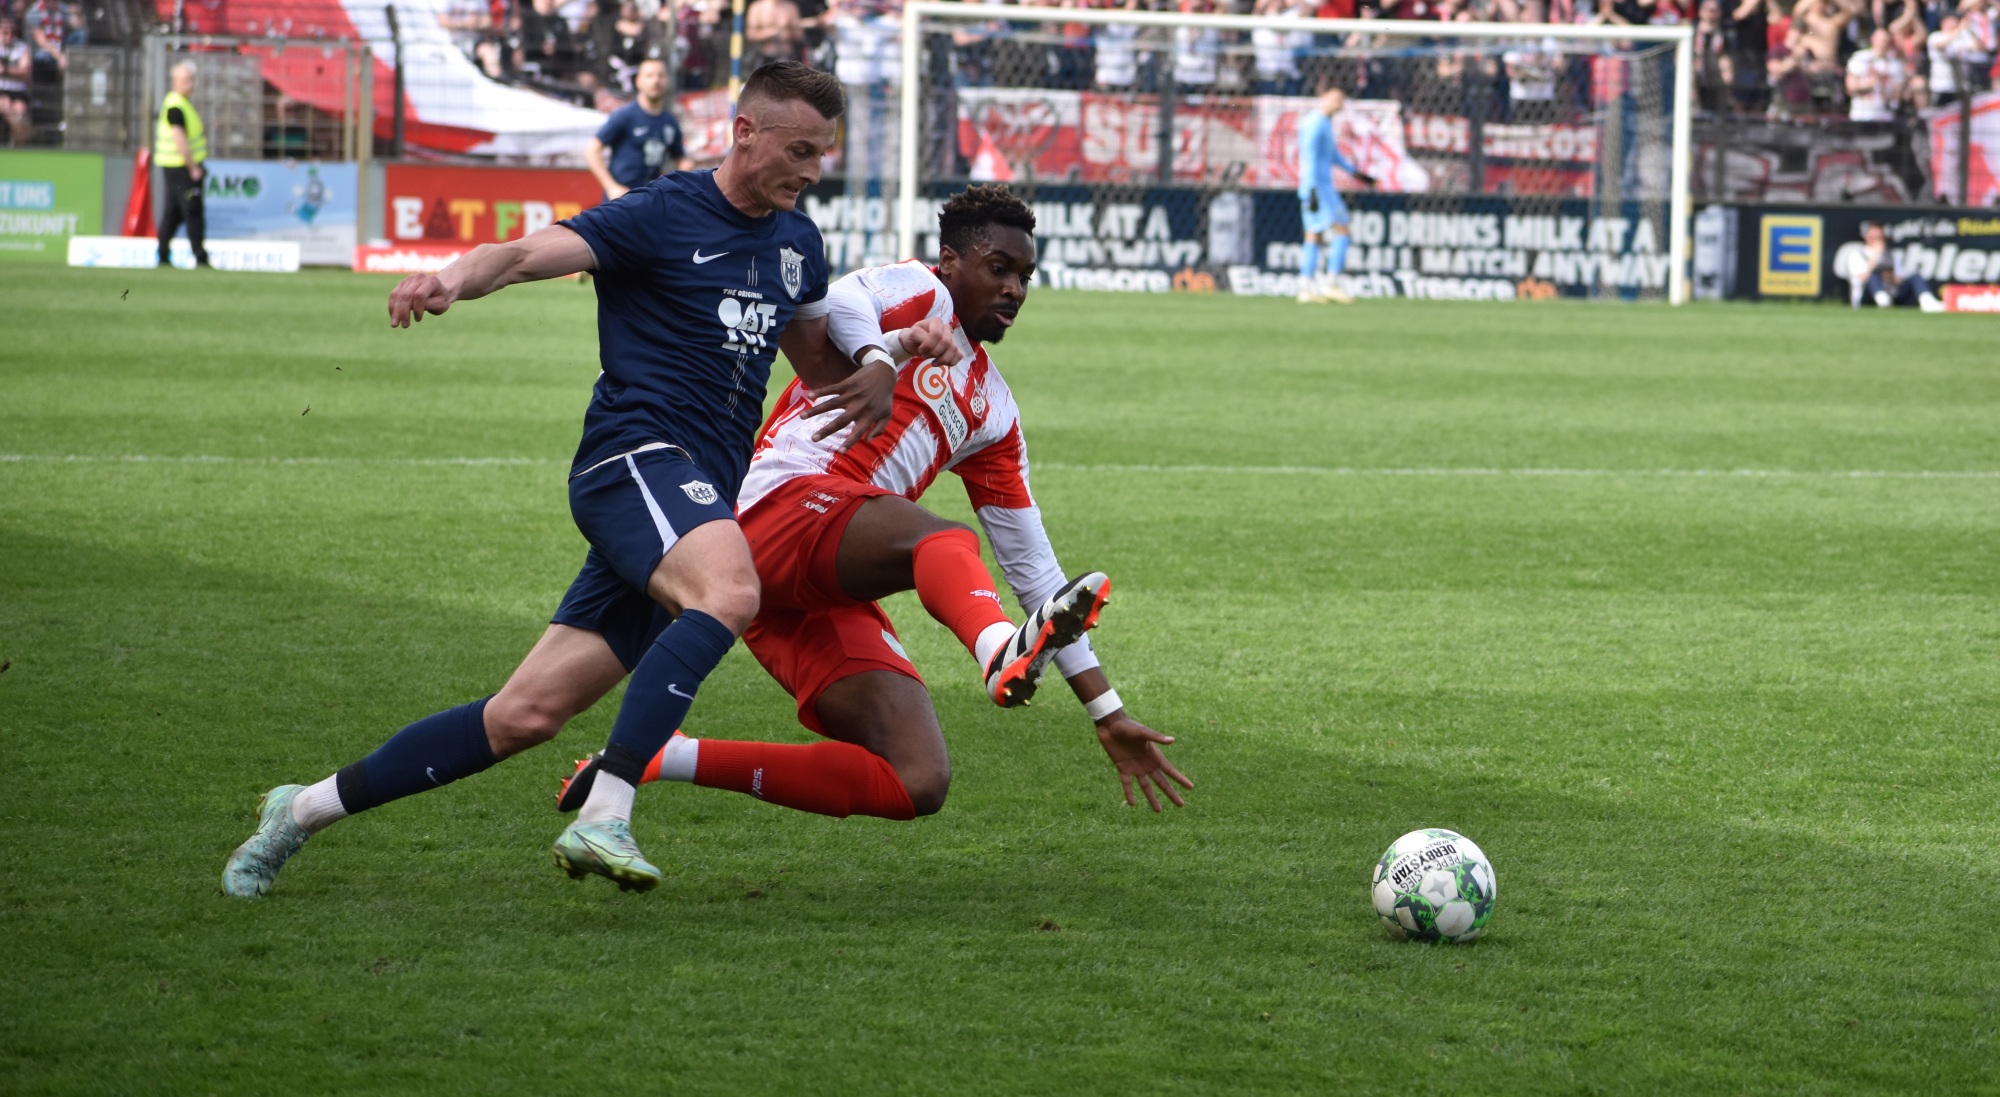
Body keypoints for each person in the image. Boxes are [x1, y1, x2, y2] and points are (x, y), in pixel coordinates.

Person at [219, 61, 900, 899]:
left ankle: (299, 811)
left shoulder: (798, 244)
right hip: (633, 461)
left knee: (523, 716)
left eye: (823, 153)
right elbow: (521, 254)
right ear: (744, 132)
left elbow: (819, 366)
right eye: (800, 148)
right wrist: (448, 280)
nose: (812, 169)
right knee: (729, 592)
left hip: (692, 501)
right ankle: (607, 809)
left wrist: (880, 362)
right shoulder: (662, 211)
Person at [553, 184, 1191, 824]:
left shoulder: (995, 414)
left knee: (917, 779)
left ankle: (663, 756)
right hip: (774, 506)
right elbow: (841, 300)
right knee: (941, 541)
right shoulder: (918, 292)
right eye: (998, 269)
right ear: (949, 262)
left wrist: (1108, 714)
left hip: (813, 581)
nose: (1014, 290)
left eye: (1025, 277)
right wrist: (886, 352)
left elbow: (1040, 577)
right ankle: (997, 650)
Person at [1296, 85, 1375, 306]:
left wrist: (1359, 175)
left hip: (1320, 188)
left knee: (1315, 234)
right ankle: (1330, 283)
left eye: (1341, 100)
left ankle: (1306, 286)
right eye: (1335, 99)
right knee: (1340, 229)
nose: (1338, 104)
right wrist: (1311, 189)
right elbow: (1309, 156)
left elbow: (1333, 156)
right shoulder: (1315, 122)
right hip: (1315, 189)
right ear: (1322, 97)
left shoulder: (1324, 123)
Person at [585, 56, 692, 199]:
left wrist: (687, 169)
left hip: (649, 202)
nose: (655, 81)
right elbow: (591, 151)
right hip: (620, 203)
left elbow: (680, 158)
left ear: (668, 81)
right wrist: (611, 187)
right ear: (638, 81)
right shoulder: (625, 115)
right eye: (649, 76)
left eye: (660, 76)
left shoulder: (669, 122)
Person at [155, 60, 209, 269]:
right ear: (175, 81)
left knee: (174, 212)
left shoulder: (180, 102)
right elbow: (180, 139)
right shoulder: (176, 105)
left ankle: (162, 254)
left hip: (174, 166)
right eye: (185, 80)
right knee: (192, 209)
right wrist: (193, 167)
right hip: (180, 167)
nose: (190, 84)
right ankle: (199, 255)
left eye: (191, 80)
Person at [1843, 221, 1944, 310]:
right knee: (1873, 275)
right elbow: (1863, 278)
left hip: (1890, 294)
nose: (1879, 241)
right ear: (1867, 237)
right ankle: (1882, 300)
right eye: (1875, 237)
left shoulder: (1890, 254)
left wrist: (1890, 277)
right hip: (1866, 298)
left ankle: (1927, 302)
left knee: (1915, 277)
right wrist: (1876, 256)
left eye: (1881, 238)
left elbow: (1899, 279)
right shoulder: (1857, 254)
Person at [1845, 26, 1907, 120]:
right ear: (1873, 39)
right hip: (1862, 115)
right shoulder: (1860, 58)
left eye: (1886, 40)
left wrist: (1884, 86)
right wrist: (1872, 82)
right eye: (1881, 40)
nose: (1883, 43)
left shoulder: (1895, 63)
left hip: (1886, 115)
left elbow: (1899, 91)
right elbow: (1851, 87)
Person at [0, 20, 31, 147]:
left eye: (13, 33)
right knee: (6, 104)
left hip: (18, 91)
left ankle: (17, 147)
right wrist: (16, 70)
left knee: (20, 110)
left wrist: (5, 70)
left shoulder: (23, 48)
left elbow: (25, 72)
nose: (9, 36)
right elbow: (20, 70)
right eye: (5, 32)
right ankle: (26, 134)